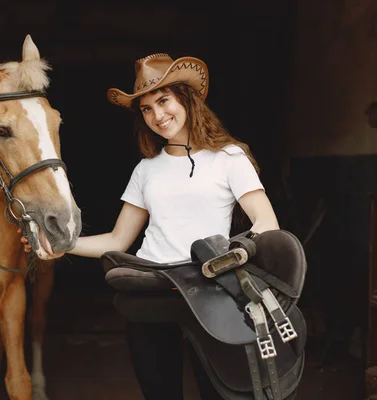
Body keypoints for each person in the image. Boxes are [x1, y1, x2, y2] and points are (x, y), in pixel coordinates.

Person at [21, 53, 280, 399]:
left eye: (164, 101)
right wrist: (61, 244)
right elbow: (118, 239)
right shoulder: (146, 169)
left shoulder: (229, 158)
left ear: (185, 99)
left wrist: (237, 253)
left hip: (212, 291)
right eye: (146, 109)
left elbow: (267, 222)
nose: (158, 116)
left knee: (220, 391)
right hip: (152, 293)